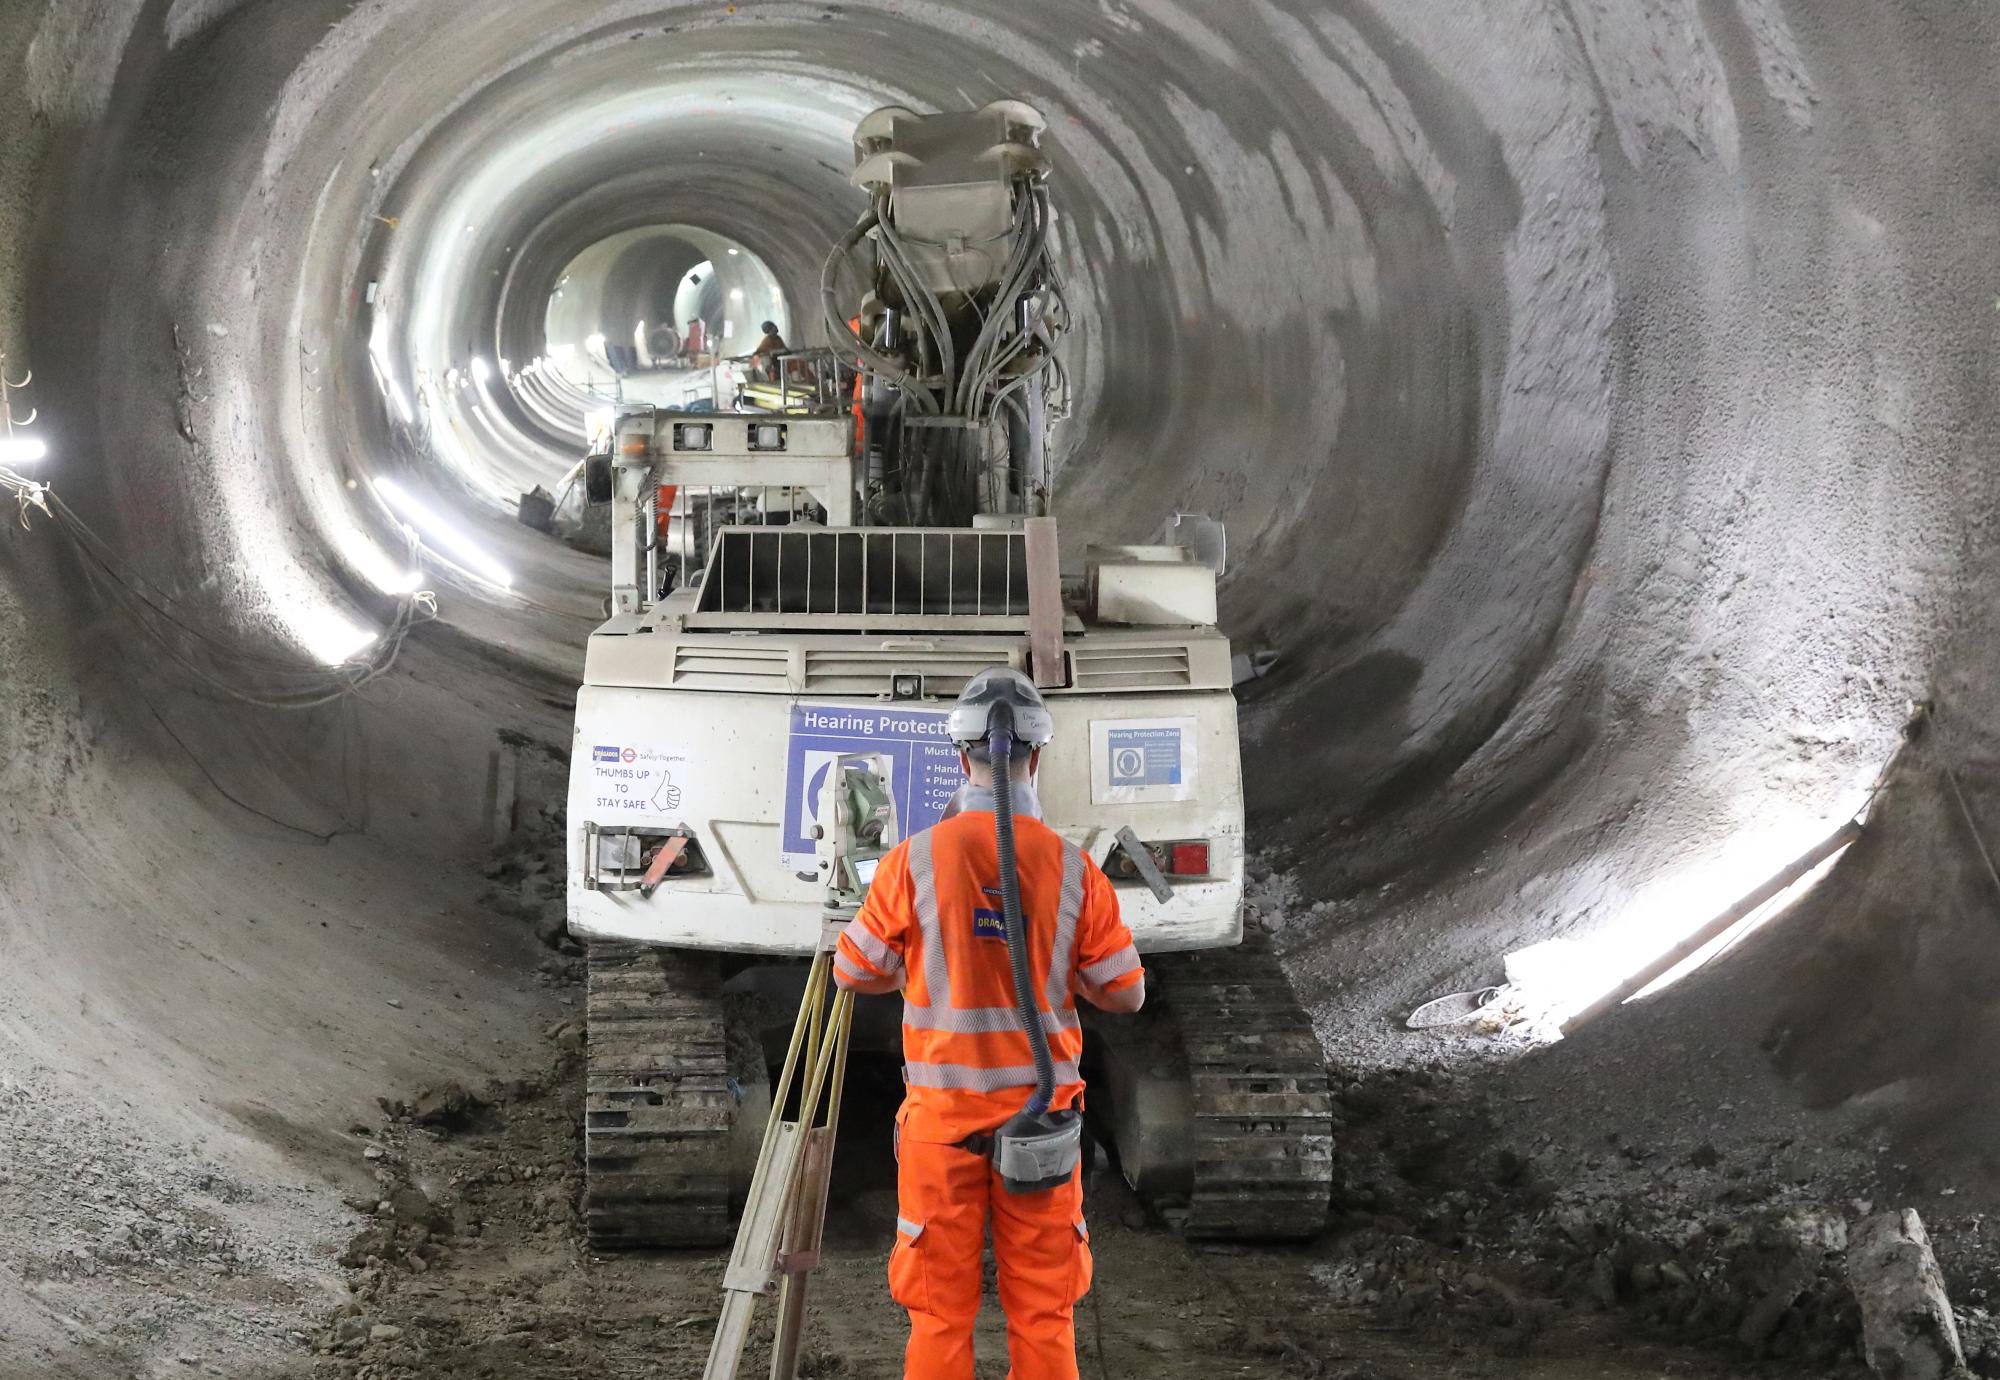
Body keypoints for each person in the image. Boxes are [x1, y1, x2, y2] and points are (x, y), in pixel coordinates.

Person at [835, 668, 1146, 1380]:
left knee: (940, 1312)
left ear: (959, 756)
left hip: (942, 1131)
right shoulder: (1073, 871)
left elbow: (853, 972)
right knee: (1043, 1309)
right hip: (1041, 1131)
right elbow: (1124, 995)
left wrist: (918, 962)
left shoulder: (911, 862)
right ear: (1035, 757)